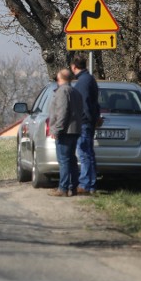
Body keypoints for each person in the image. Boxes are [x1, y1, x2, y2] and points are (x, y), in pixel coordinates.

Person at [48, 68, 83, 197]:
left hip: (65, 131)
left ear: (60, 78)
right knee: (71, 160)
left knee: (64, 160)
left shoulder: (63, 91)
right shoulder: (75, 92)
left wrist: (57, 129)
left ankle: (63, 188)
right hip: (74, 130)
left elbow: (62, 112)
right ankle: (72, 187)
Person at [71, 54, 100, 195]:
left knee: (84, 153)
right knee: (89, 153)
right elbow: (95, 103)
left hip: (84, 123)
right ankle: (92, 185)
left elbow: (83, 104)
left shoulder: (82, 82)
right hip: (89, 121)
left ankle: (85, 184)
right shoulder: (90, 79)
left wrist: (85, 119)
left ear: (73, 67)